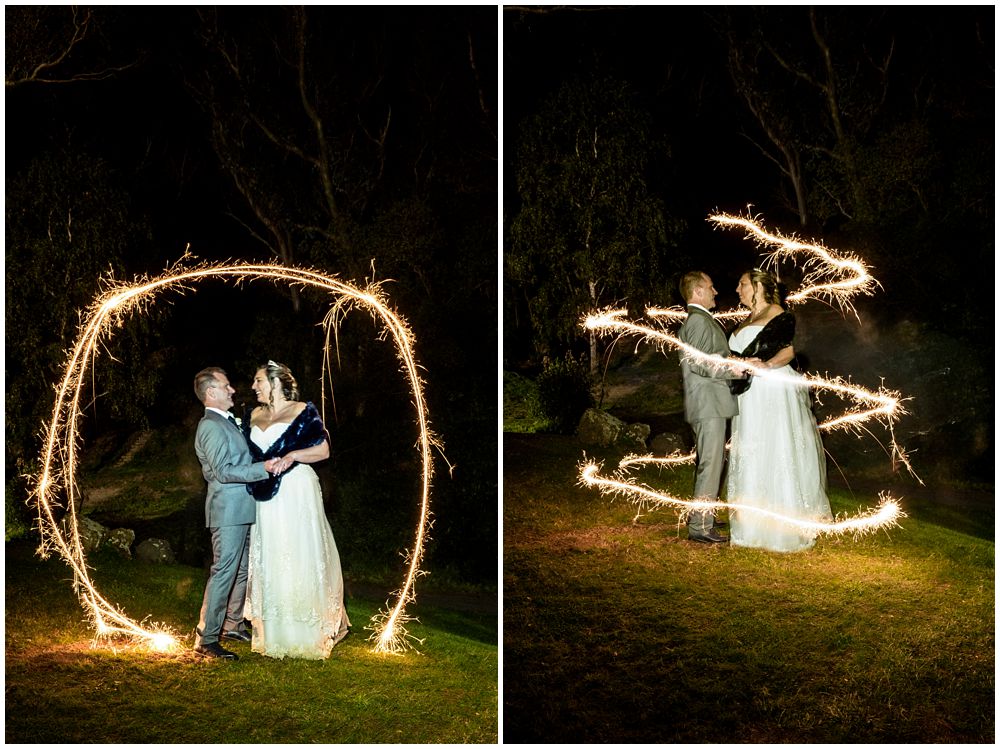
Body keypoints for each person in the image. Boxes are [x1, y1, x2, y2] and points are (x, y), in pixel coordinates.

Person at [242, 360, 351, 659]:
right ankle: (274, 634)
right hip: (266, 494)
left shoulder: (303, 411)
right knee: (272, 553)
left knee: (299, 552)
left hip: (297, 489)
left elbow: (323, 450)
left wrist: (292, 455)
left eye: (259, 381)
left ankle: (306, 633)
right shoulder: (252, 414)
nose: (254, 387)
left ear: (276, 383)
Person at [726, 269, 833, 551]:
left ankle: (783, 527)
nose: (737, 289)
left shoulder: (778, 312)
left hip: (771, 388)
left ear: (759, 286)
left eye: (742, 284)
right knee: (753, 448)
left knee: (777, 447)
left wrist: (766, 366)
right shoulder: (745, 319)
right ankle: (750, 526)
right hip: (748, 395)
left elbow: (788, 351)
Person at [192, 367, 285, 660]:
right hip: (227, 510)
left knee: (241, 570)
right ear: (211, 393)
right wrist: (264, 468)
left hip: (242, 507)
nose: (232, 390)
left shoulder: (227, 423)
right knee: (224, 572)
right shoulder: (210, 426)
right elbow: (222, 471)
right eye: (226, 385)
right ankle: (207, 639)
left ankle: (232, 625)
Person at [677, 271, 743, 544]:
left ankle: (704, 518)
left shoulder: (700, 320)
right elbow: (700, 363)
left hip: (710, 404)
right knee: (711, 464)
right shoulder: (698, 322)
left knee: (712, 463)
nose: (716, 291)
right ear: (698, 292)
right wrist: (735, 369)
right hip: (708, 405)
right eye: (711, 287)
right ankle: (701, 527)